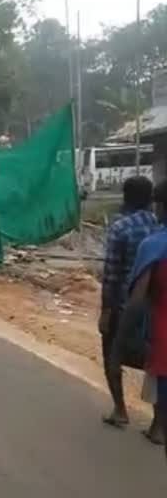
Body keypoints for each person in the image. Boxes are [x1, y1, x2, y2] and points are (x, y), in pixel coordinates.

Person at [99, 176, 159, 430]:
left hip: (125, 304)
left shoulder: (120, 228)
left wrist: (105, 311)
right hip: (157, 307)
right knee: (156, 363)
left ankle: (120, 409)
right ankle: (158, 424)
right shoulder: (159, 226)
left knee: (112, 353)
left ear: (125, 197)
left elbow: (111, 274)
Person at [119, 180, 167, 454]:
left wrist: (119, 341)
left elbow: (137, 300)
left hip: (162, 333)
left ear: (160, 206)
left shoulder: (154, 245)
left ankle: (158, 427)